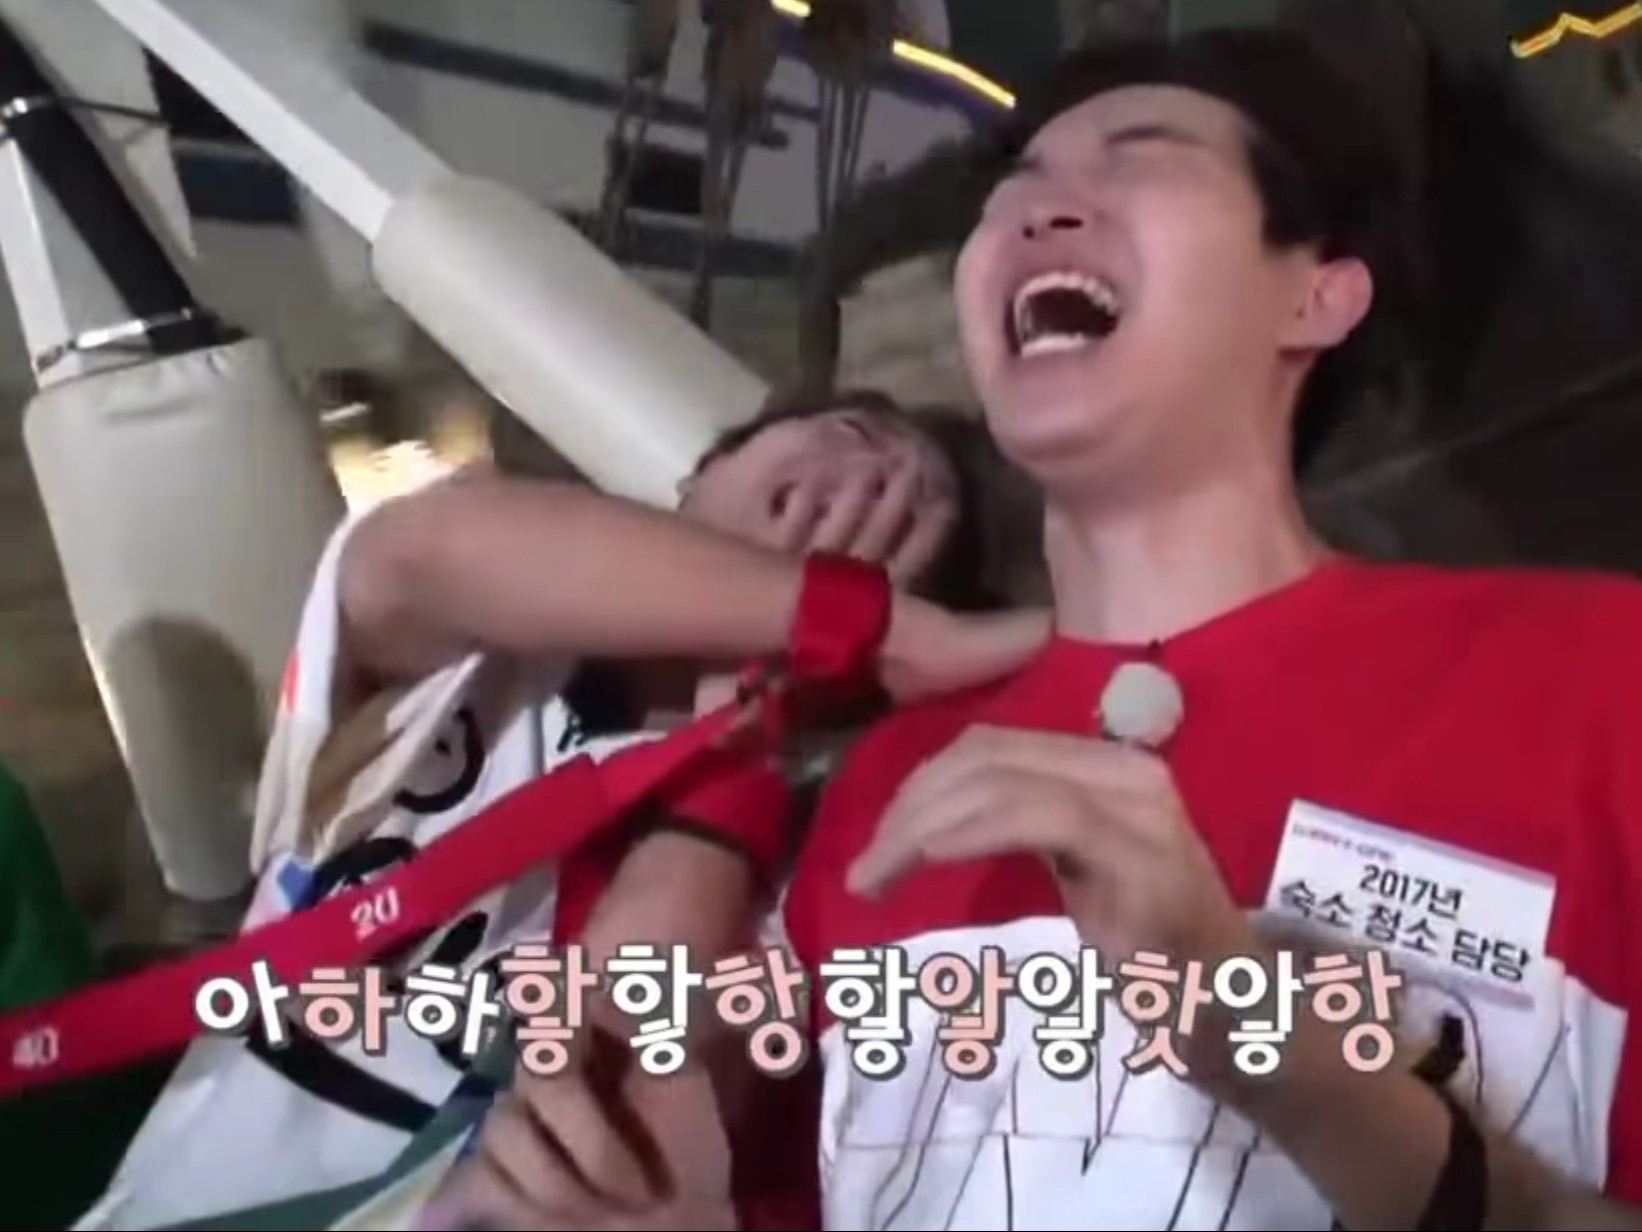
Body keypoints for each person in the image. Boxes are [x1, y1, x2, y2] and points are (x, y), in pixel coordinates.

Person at [435, 28, 1642, 1231]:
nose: (1035, 210)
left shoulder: (1591, 674)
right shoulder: (884, 795)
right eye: (1012, 188)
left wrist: (1266, 1036)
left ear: (1315, 293)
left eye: (1142, 156)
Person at [75, 390, 1044, 1230]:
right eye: (848, 432)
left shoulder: (800, 865)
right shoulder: (473, 663)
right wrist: (859, 614)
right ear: (698, 476)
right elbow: (411, 553)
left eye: (907, 513)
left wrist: (753, 722)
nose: (860, 486)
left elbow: (614, 1082)